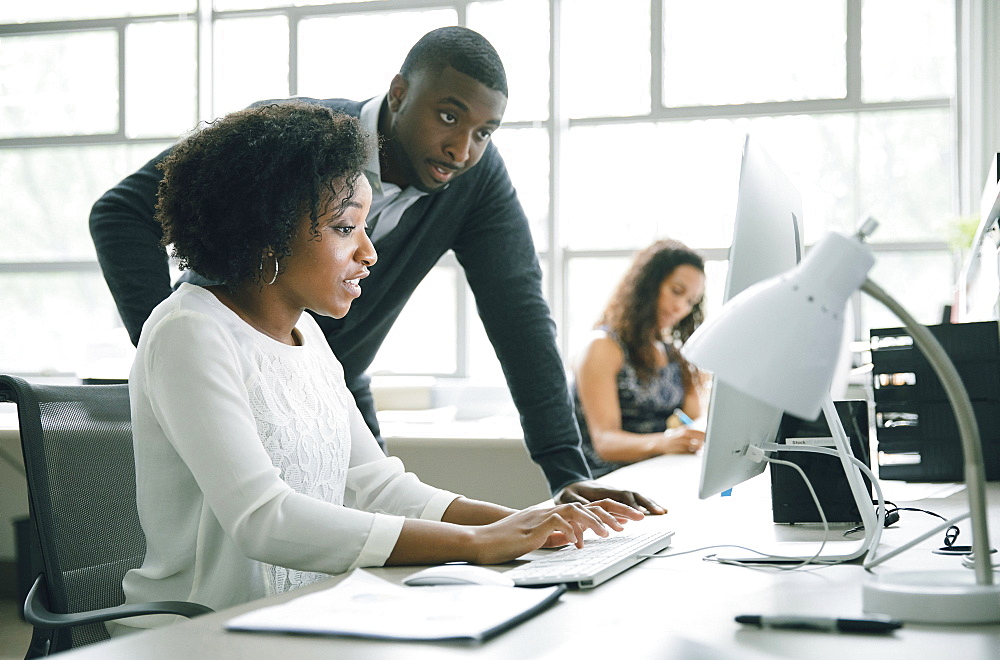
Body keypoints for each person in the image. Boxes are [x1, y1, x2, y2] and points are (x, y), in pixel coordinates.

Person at [89, 25, 662, 514]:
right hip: (233, 373)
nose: (462, 149)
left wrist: (566, 473)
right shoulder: (297, 141)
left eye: (483, 133)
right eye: (447, 116)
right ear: (398, 94)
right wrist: (170, 352)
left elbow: (521, 316)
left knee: (379, 543)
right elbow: (121, 213)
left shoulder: (476, 182)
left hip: (334, 384)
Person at [117, 101, 640, 631]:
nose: (370, 252)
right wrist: (476, 544)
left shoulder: (310, 338)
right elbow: (262, 520)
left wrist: (524, 523)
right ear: (266, 232)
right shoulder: (190, 331)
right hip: (200, 638)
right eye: (346, 229)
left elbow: (378, 486)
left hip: (302, 623)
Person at [571, 239, 708, 477]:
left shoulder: (673, 355)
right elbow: (605, 442)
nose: (681, 307)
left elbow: (694, 420)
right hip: (609, 482)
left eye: (690, 302)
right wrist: (664, 442)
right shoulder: (602, 347)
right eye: (677, 291)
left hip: (657, 472)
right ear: (648, 284)